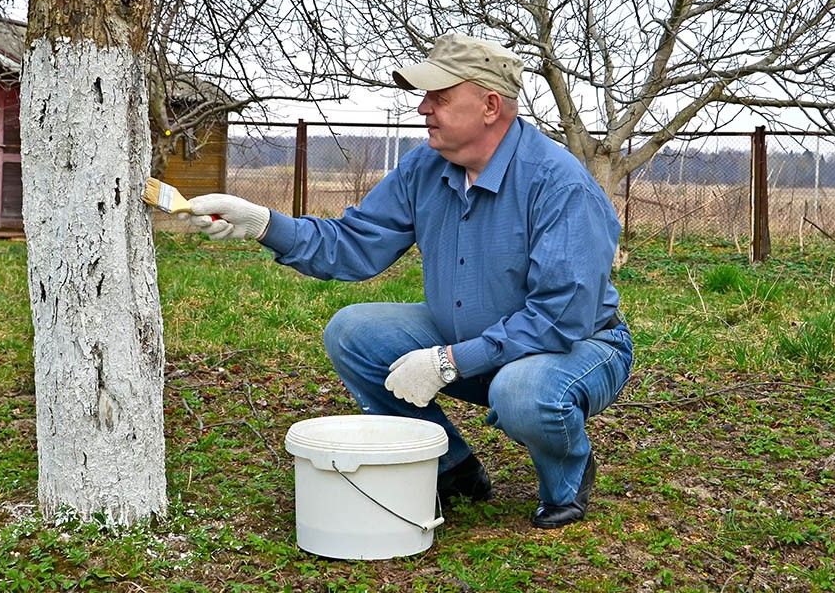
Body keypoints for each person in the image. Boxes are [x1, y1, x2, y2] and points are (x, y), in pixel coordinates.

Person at [185, 34, 633, 529]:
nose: (423, 108)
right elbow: (355, 243)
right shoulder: (427, 166)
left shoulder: (558, 183)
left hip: (575, 346)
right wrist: (264, 224)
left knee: (523, 391)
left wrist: (449, 361)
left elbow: (558, 315)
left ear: (489, 105)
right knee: (354, 332)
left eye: (440, 98)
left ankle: (565, 480)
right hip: (471, 337)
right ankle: (453, 470)